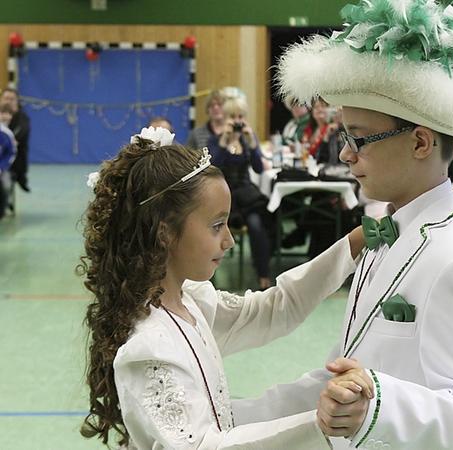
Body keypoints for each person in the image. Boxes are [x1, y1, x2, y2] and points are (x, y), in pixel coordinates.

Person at [233, 1, 453, 449]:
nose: (346, 154)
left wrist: (378, 406)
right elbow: (342, 373)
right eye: (343, 137)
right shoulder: (382, 235)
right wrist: (231, 417)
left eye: (358, 138)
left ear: (421, 142)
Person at [78, 126, 367, 449]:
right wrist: (318, 423)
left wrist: (353, 244)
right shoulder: (149, 347)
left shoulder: (192, 302)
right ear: (164, 233)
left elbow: (272, 309)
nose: (229, 240)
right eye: (217, 226)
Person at [205, 95, 273, 289]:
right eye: (232, 116)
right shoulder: (215, 140)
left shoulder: (247, 140)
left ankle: (263, 274)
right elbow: (212, 167)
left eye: (240, 116)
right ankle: (208, 276)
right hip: (222, 196)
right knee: (212, 229)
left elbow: (259, 168)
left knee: (257, 226)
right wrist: (224, 142)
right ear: (225, 117)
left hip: (246, 195)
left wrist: (253, 144)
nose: (236, 120)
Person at [0, 88, 30, 192]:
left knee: (5, 183)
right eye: (6, 98)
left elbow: (16, 137)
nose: (8, 101)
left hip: (13, 162)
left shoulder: (23, 118)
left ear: (17, 101)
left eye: (12, 99)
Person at [0, 104, 16, 220]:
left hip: (2, 168)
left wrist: (2, 167)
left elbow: (11, 153)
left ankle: (2, 210)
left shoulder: (7, 134)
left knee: (5, 184)